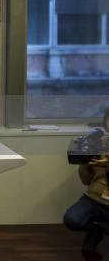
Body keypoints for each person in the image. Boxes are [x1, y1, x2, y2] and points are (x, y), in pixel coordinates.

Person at [63, 108, 109, 256]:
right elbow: (86, 180)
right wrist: (84, 160)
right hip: (96, 197)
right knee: (72, 219)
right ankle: (95, 232)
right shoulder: (98, 144)